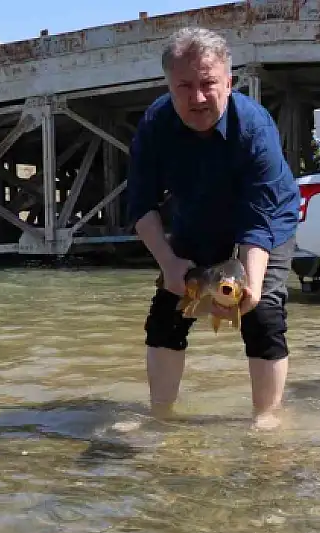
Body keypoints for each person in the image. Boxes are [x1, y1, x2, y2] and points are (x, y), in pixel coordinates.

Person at [125, 27, 301, 430]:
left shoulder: (254, 127)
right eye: (184, 86)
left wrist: (250, 282)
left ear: (229, 82)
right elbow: (140, 204)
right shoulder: (155, 124)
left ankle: (266, 417)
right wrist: (169, 263)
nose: (198, 98)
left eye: (208, 84)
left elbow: (260, 219)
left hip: (267, 220)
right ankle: (160, 415)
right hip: (197, 215)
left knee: (263, 314)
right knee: (167, 312)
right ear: (168, 85)